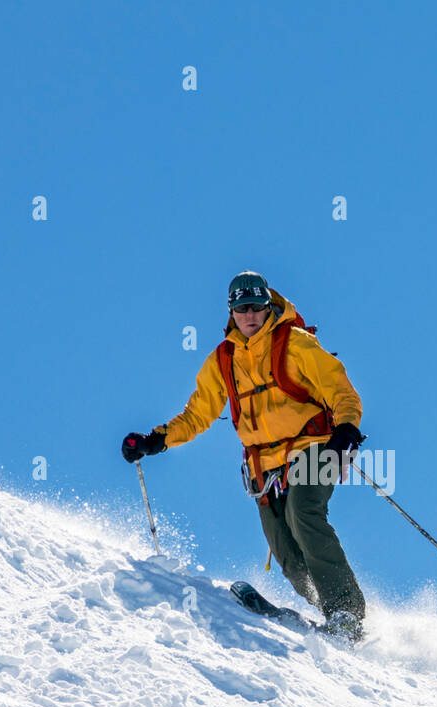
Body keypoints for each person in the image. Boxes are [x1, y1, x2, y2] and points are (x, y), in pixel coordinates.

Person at [122, 271, 367, 641]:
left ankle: (346, 613)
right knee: (285, 551)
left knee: (304, 515)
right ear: (231, 313)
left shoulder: (295, 344)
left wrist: (346, 430)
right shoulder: (223, 360)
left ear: (268, 306)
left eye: (256, 307)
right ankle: (328, 612)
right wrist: (156, 440)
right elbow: (197, 414)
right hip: (263, 469)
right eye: (241, 309)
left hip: (312, 448)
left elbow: (340, 388)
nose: (250, 315)